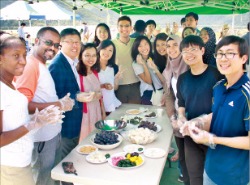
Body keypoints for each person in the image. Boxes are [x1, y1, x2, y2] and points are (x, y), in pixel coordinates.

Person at [186, 35, 249, 185]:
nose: (223, 58)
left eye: (230, 53)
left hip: (234, 175)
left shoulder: (247, 93)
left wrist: (212, 139)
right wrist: (198, 122)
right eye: (220, 54)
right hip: (211, 167)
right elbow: (219, 115)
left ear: (244, 58)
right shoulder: (219, 86)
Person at [15, 27, 74, 185]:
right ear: (36, 41)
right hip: (40, 138)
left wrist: (60, 102)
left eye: (56, 45)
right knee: (44, 179)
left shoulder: (41, 64)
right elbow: (21, 105)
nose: (53, 48)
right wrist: (59, 104)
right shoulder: (30, 65)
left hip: (51, 134)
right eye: (49, 43)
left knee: (52, 176)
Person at [0, 34, 62, 185]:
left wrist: (38, 119)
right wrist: (32, 124)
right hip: (10, 165)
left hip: (22, 160)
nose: (23, 61)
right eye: (16, 56)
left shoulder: (10, 84)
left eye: (24, 55)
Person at [176, 35, 223, 185]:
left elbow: (223, 105)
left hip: (214, 134)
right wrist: (181, 116)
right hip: (192, 135)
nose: (189, 54)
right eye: (185, 51)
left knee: (213, 177)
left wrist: (204, 122)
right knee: (194, 176)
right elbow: (181, 103)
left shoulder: (216, 74)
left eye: (193, 49)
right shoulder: (182, 78)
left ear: (202, 50)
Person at [49, 28, 83, 160]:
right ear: (61, 44)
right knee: (65, 161)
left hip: (75, 122)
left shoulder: (73, 63)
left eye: (78, 42)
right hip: (65, 127)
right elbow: (55, 98)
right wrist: (78, 97)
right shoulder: (57, 65)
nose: (75, 46)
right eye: (71, 42)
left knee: (72, 158)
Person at [162, 35, 189, 184]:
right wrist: (172, 117)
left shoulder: (189, 66)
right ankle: (183, 174)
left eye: (175, 45)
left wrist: (183, 116)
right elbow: (169, 95)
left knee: (192, 153)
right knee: (182, 149)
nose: (171, 49)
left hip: (191, 117)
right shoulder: (169, 67)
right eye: (168, 46)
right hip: (177, 117)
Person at [76, 43, 106, 142]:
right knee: (86, 140)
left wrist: (103, 113)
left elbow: (99, 93)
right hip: (86, 113)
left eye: (94, 55)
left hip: (96, 110)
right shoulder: (77, 73)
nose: (91, 58)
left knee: (96, 138)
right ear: (81, 56)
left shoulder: (94, 72)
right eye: (87, 55)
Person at [112, 15, 141, 104]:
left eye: (127, 26)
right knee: (120, 115)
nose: (124, 28)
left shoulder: (136, 42)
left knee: (135, 114)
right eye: (121, 26)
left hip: (136, 85)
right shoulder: (112, 44)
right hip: (119, 86)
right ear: (117, 28)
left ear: (131, 28)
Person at [131, 35, 164, 105]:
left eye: (146, 44)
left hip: (162, 91)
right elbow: (149, 81)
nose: (144, 48)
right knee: (149, 115)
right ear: (136, 48)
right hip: (148, 93)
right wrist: (144, 64)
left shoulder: (156, 56)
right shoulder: (136, 64)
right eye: (140, 46)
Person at [98, 39, 122, 115]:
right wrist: (103, 86)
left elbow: (115, 88)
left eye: (110, 50)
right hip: (97, 104)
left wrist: (117, 79)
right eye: (104, 49)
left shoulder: (114, 67)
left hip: (111, 104)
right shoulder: (92, 66)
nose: (107, 52)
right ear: (99, 49)